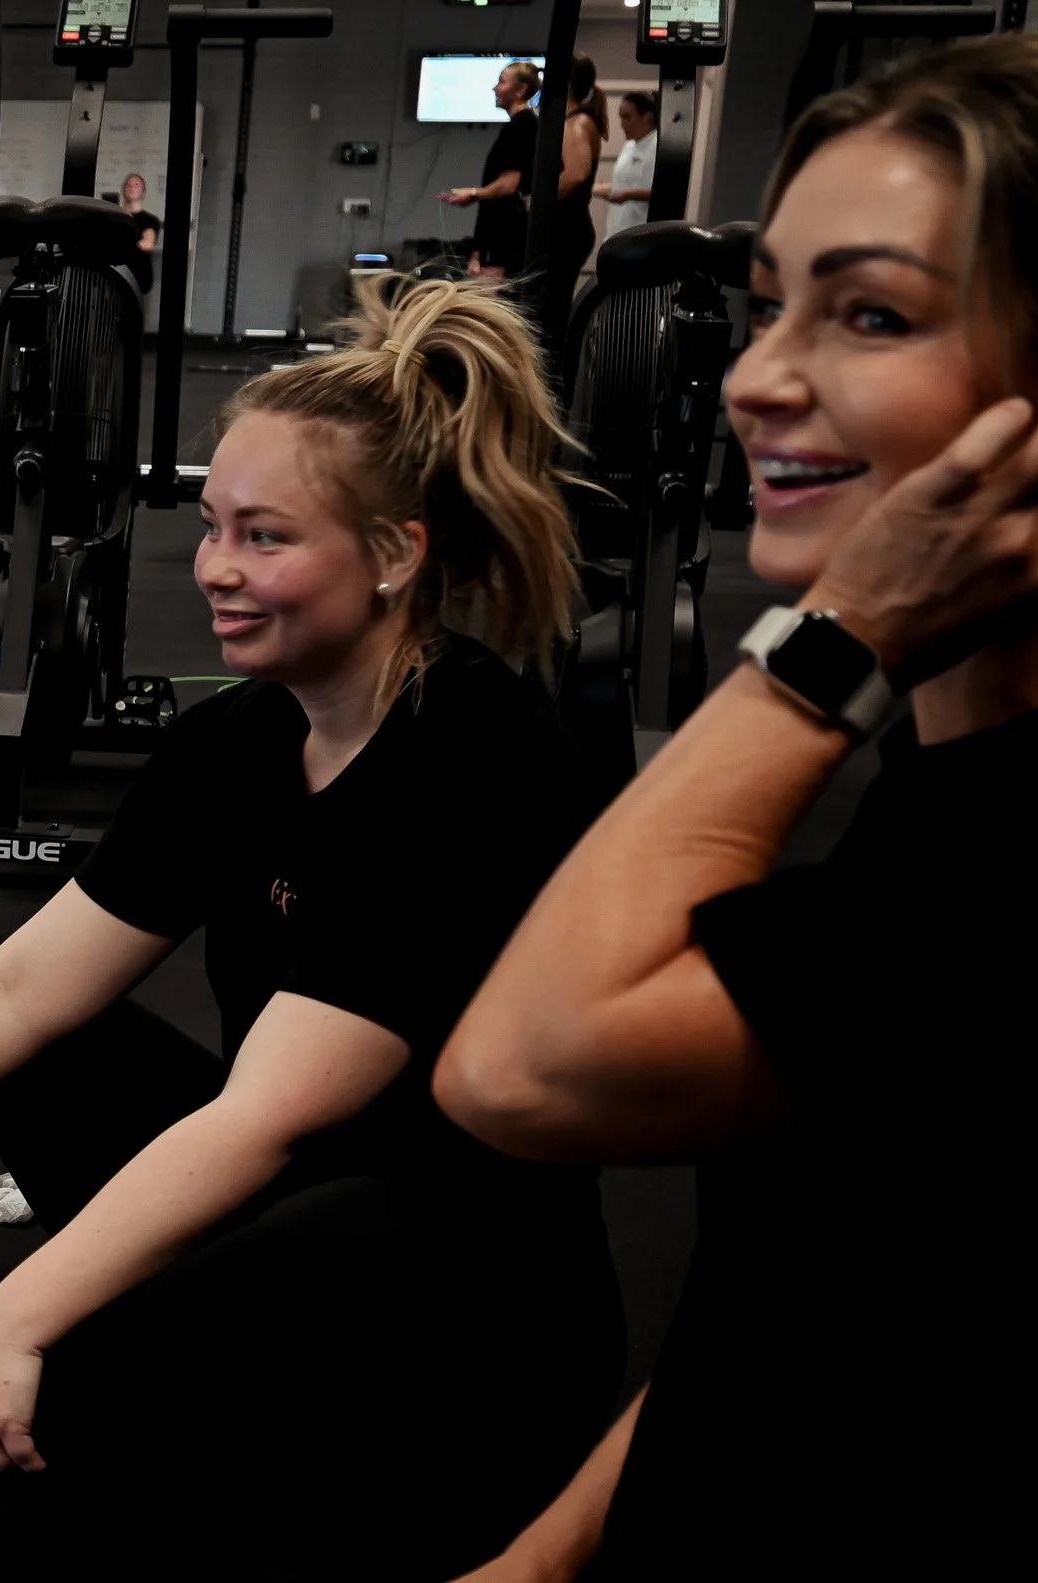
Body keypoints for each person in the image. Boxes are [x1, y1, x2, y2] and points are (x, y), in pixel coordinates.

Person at [0, 279, 625, 1578]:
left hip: (453, 1279)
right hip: (279, 1187)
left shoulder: (477, 758)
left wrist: (19, 1314)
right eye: (211, 527)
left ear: (397, 553)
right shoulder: (238, 737)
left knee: (329, 1232)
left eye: (265, 537)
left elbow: (274, 1115)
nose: (215, 571)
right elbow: (29, 984)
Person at [435, 35, 1038, 1581]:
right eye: (776, 304)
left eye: (873, 314)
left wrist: (825, 649)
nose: (763, 375)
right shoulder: (933, 784)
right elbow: (796, 1282)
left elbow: (522, 1069)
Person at [443, 60, 539, 280]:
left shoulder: (522, 127)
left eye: (502, 82)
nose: (495, 88)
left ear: (521, 90)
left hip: (504, 240)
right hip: (497, 238)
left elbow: (509, 184)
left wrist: (474, 193)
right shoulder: (519, 126)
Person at [541, 55, 607, 353]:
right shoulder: (574, 120)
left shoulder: (577, 123)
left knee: (551, 315)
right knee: (550, 310)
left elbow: (576, 173)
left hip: (567, 231)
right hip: (568, 230)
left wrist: (536, 204)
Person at [595, 91, 658, 241]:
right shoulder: (629, 146)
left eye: (627, 117)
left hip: (639, 234)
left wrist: (628, 195)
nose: (622, 124)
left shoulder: (658, 147)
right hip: (616, 232)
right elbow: (624, 183)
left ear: (647, 117)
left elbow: (664, 191)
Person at [118, 171, 161, 295]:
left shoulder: (150, 220)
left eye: (136, 185)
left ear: (143, 192)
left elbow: (148, 243)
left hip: (138, 279)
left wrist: (125, 245)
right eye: (128, 185)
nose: (131, 187)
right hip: (116, 276)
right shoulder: (115, 217)